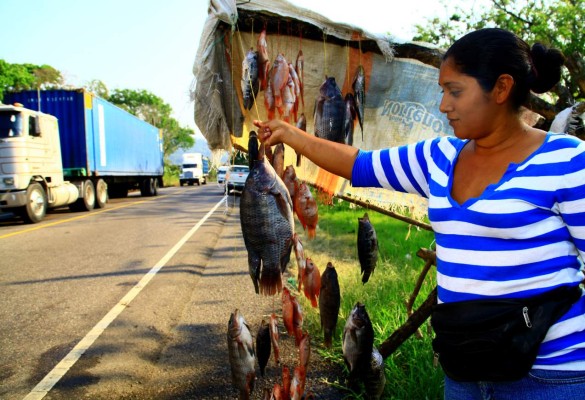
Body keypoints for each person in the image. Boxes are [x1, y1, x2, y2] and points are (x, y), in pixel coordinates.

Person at [254, 28, 585, 399]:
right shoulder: (439, 158)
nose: (444, 104)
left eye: (455, 91)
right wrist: (289, 134)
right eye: (443, 90)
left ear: (502, 88)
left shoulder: (567, 160)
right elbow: (360, 166)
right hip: (463, 370)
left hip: (548, 376)